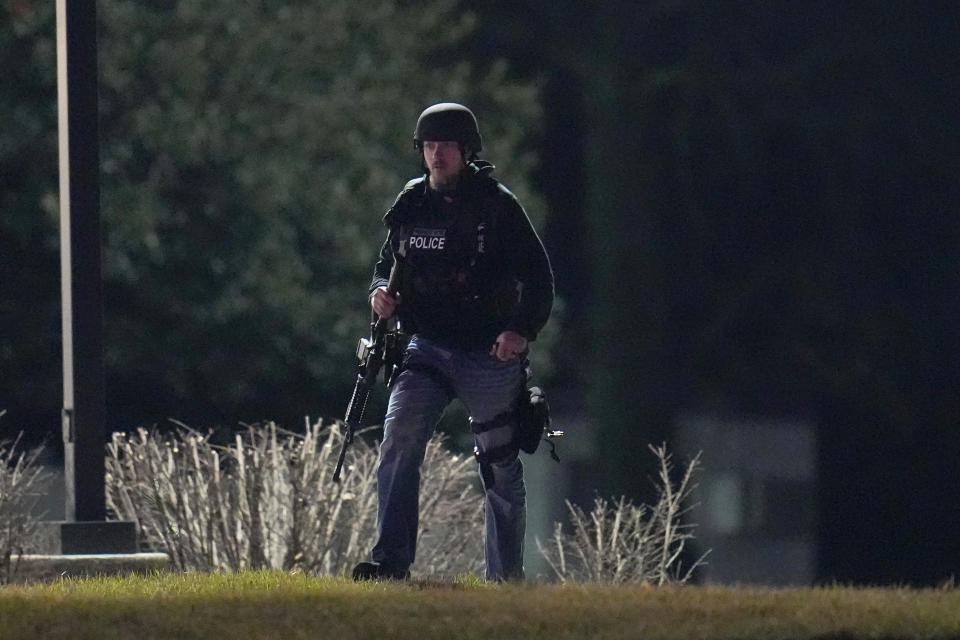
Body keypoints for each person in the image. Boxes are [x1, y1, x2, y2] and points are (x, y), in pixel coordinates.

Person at [352, 102, 554, 582]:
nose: (436, 154)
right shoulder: (410, 204)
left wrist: (520, 331)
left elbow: (539, 276)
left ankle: (504, 580)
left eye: (445, 146)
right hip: (427, 346)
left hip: (488, 352)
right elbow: (386, 267)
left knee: (500, 465)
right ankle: (390, 563)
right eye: (429, 145)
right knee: (398, 436)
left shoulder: (497, 206)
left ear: (466, 151)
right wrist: (379, 294)